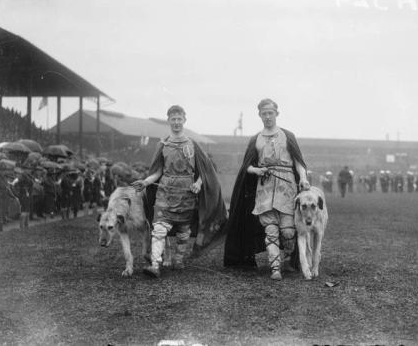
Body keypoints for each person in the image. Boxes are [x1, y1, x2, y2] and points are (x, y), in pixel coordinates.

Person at [133, 105, 227, 278]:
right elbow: (158, 172)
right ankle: (155, 264)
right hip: (165, 192)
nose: (176, 122)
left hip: (187, 194)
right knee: (160, 228)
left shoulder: (193, 145)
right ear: (168, 120)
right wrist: (145, 182)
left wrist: (198, 183)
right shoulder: (162, 144)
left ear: (184, 120)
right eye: (173, 119)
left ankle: (178, 259)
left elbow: (205, 171)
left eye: (179, 119)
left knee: (184, 231)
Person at [223, 99, 310, 280]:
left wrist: (303, 178)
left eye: (271, 113)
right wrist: (257, 170)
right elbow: (246, 166)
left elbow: (299, 162)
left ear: (276, 114)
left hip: (287, 187)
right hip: (265, 189)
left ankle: (288, 256)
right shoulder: (256, 139)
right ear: (260, 115)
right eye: (264, 113)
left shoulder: (288, 136)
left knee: (287, 231)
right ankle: (275, 268)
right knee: (270, 230)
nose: (268, 116)